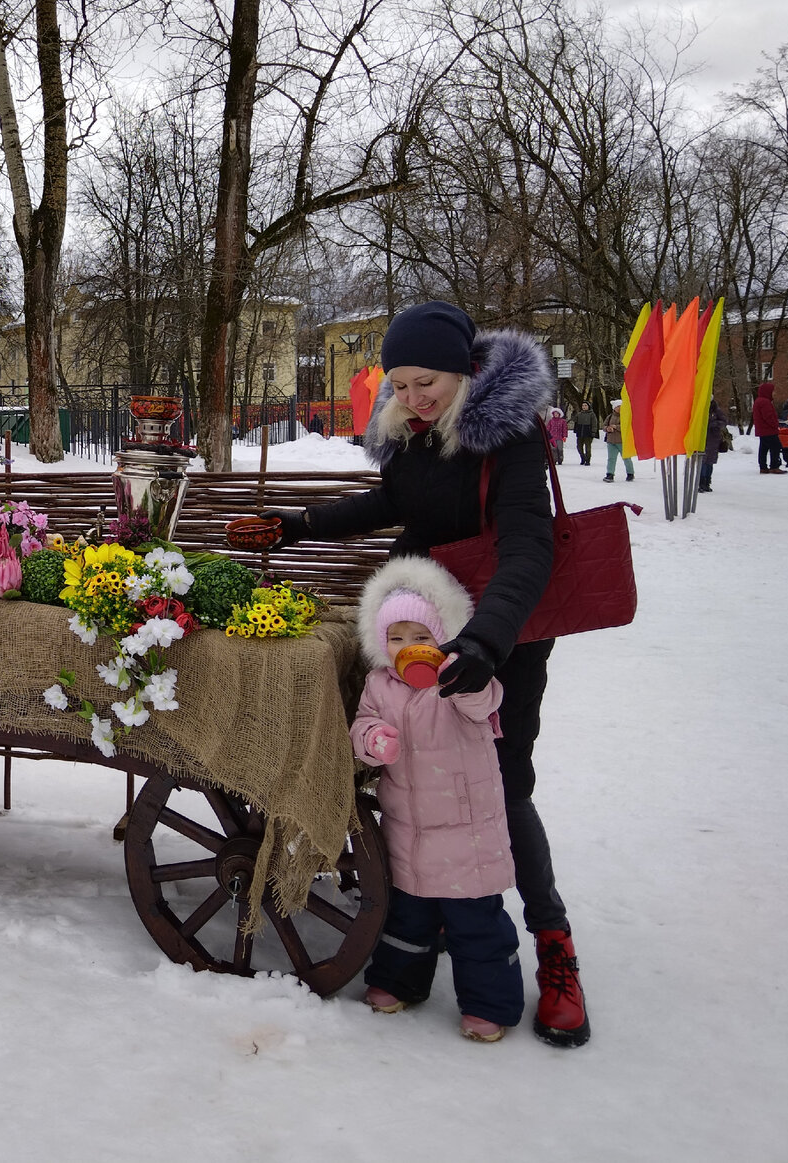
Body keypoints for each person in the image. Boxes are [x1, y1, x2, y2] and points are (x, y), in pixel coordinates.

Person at [268, 300, 590, 1048]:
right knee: (407, 773)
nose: (414, 399)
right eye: (401, 384)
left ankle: (553, 945)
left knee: (501, 787)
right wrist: (300, 524)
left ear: (463, 371)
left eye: (428, 383)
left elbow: (528, 548)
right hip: (416, 637)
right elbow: (395, 501)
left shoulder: (506, 435)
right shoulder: (409, 435)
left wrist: (485, 637)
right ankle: (428, 912)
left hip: (492, 641)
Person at [351, 556, 523, 1042]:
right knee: (408, 915)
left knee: (477, 925)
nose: (409, 649)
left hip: (467, 832)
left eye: (421, 637)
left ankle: (490, 1005)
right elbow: (361, 724)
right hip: (408, 827)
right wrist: (372, 739)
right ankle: (396, 982)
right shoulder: (378, 685)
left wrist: (461, 671)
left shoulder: (462, 680)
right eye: (397, 638)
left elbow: (486, 703)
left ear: (443, 636)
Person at [752, 382, 785, 474]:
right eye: (773, 391)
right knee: (776, 446)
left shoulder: (759, 401)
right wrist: (775, 424)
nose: (774, 393)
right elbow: (768, 416)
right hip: (768, 430)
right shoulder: (765, 402)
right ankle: (774, 466)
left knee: (763, 448)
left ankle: (763, 466)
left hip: (762, 430)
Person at [698, 398, 729, 493]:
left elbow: (724, 421)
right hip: (702, 438)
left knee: (709, 462)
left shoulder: (716, 410)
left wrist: (714, 424)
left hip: (713, 439)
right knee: (702, 461)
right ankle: (701, 483)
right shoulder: (700, 408)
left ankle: (707, 482)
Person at [602, 400, 634, 482]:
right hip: (611, 441)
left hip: (622, 441)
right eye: (618, 406)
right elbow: (604, 426)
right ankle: (610, 474)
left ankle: (630, 473)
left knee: (626, 458)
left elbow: (627, 426)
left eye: (620, 406)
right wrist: (607, 429)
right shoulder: (609, 417)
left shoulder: (625, 416)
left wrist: (616, 427)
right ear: (614, 408)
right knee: (611, 459)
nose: (619, 408)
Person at [573, 401, 596, 465]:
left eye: (585, 405)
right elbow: (575, 421)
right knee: (579, 447)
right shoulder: (579, 414)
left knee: (587, 448)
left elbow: (594, 424)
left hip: (588, 433)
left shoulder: (592, 414)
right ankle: (583, 457)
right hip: (580, 433)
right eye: (583, 405)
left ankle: (588, 460)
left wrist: (593, 432)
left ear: (588, 406)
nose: (584, 407)